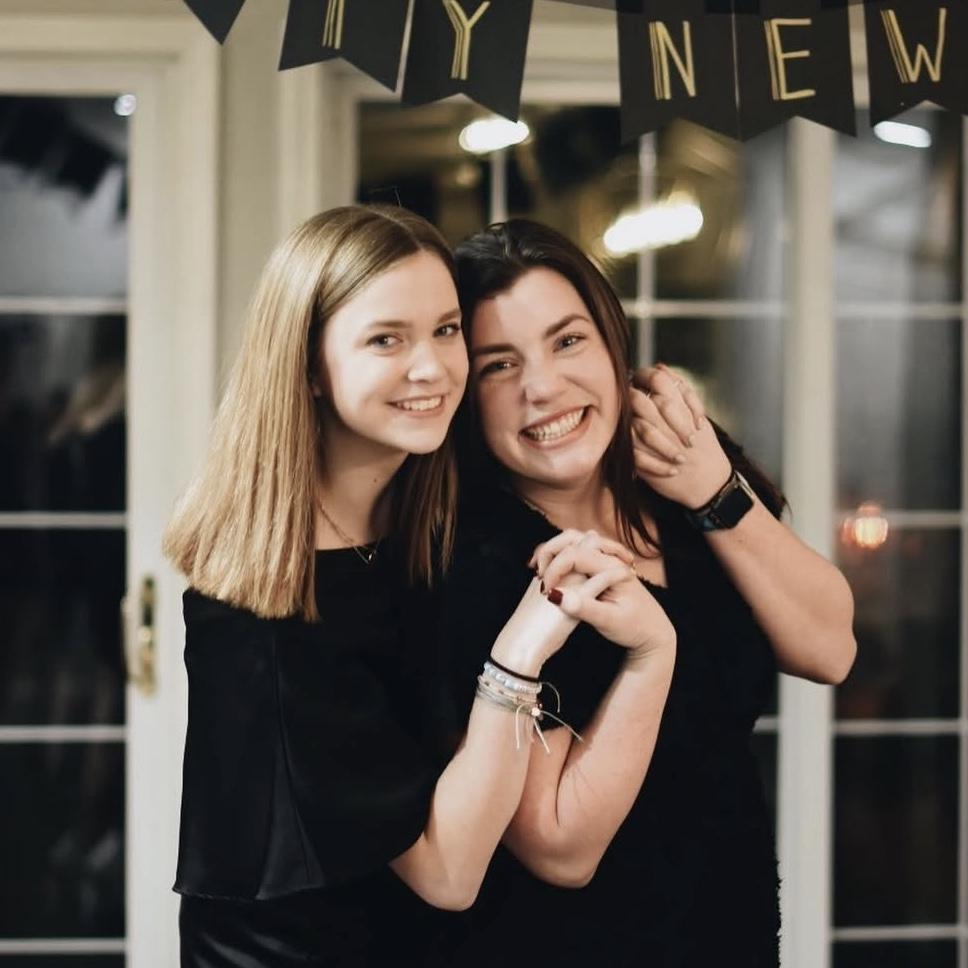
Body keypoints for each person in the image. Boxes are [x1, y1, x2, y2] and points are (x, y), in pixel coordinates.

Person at [162, 206, 638, 967]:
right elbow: (447, 874)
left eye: (446, 331)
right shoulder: (264, 619)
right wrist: (517, 658)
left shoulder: (427, 518)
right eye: (386, 339)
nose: (433, 368)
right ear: (309, 368)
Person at [439, 218, 857, 967]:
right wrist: (650, 653)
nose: (543, 387)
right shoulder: (478, 562)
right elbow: (558, 850)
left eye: (568, 341)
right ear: (467, 395)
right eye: (499, 365)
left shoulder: (683, 468)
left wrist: (714, 489)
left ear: (613, 344)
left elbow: (830, 647)